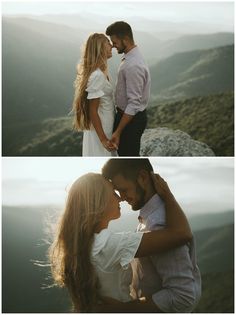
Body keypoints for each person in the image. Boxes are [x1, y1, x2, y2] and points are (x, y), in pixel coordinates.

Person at [49, 172, 192, 312]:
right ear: (99, 201)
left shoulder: (82, 243)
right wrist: (168, 196)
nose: (120, 198)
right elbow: (181, 234)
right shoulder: (106, 245)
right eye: (113, 193)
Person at [102, 158, 202, 313]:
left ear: (142, 177)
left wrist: (122, 310)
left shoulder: (158, 224)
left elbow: (183, 297)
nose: (121, 197)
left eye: (123, 189)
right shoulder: (154, 217)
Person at [106, 21, 151, 156]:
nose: (113, 46)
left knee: (128, 156)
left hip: (130, 120)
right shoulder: (131, 57)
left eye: (115, 42)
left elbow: (133, 104)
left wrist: (118, 132)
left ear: (125, 39)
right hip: (127, 117)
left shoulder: (133, 65)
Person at [72, 33, 117, 156]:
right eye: (108, 43)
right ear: (100, 48)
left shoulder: (100, 72)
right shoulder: (97, 75)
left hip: (105, 124)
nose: (112, 46)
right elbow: (93, 110)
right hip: (102, 127)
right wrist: (103, 139)